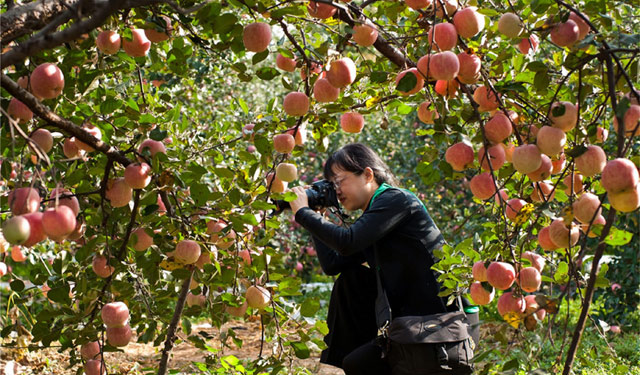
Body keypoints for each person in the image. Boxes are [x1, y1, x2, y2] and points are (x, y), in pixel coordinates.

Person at [290, 143, 450, 375]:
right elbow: (334, 264)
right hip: (411, 324)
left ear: (367, 174)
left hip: (440, 326)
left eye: (339, 182)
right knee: (355, 359)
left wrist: (303, 213)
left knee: (360, 363)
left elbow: (347, 242)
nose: (336, 192)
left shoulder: (397, 200)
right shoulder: (376, 216)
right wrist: (315, 215)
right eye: (332, 186)